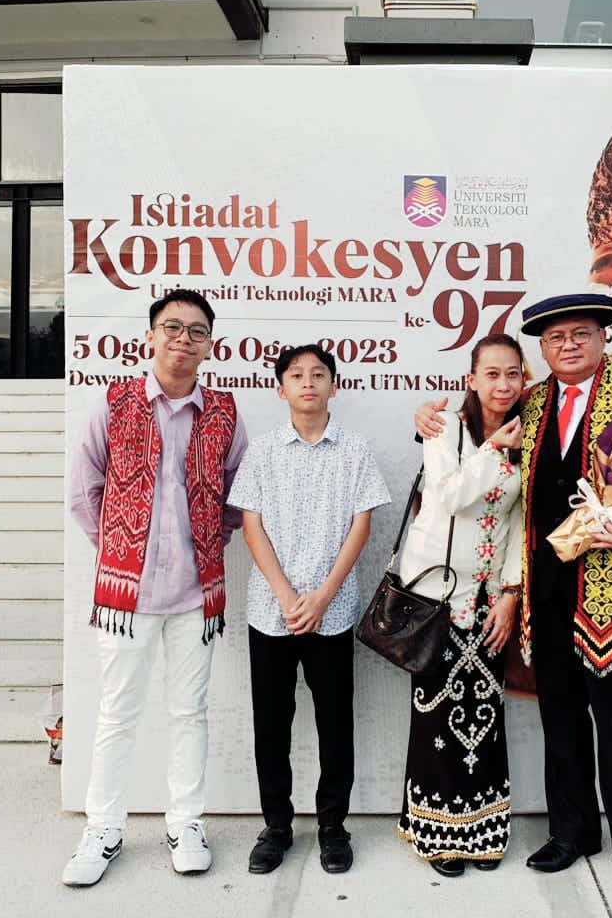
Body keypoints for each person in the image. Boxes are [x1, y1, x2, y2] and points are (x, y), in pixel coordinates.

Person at [417, 293, 612, 901]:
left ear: (602, 337)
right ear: (543, 348)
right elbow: (472, 444)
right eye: (556, 338)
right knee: (559, 716)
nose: (569, 345)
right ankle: (572, 832)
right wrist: (426, 418)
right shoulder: (530, 404)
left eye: (580, 333)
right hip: (544, 589)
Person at [63, 289, 246, 887]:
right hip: (129, 597)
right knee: (117, 712)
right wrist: (122, 550)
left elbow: (238, 495)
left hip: (197, 595)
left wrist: (209, 542)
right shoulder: (114, 403)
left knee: (189, 713)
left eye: (196, 331)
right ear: (149, 336)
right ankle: (103, 828)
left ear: (210, 345)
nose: (183, 339)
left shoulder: (224, 412)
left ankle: (186, 823)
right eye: (172, 327)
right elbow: (84, 489)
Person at [227, 344, 391, 876]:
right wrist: (284, 594)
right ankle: (276, 826)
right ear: (281, 389)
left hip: (332, 610)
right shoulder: (264, 451)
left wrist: (322, 596)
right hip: (270, 610)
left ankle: (332, 827)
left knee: (334, 722)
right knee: (271, 723)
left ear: (333, 386)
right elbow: (251, 523)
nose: (308, 383)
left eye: (319, 374)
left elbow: (361, 525)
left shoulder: (354, 450)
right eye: (296, 375)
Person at [396, 333, 526, 878]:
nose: (503, 384)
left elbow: (523, 519)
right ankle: (437, 832)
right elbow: (448, 495)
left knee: (484, 717)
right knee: (436, 714)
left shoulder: (528, 433)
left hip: (490, 599)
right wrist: (493, 450)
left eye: (513, 373)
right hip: (438, 597)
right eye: (491, 374)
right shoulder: (445, 427)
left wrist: (511, 595)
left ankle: (482, 830)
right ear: (471, 379)